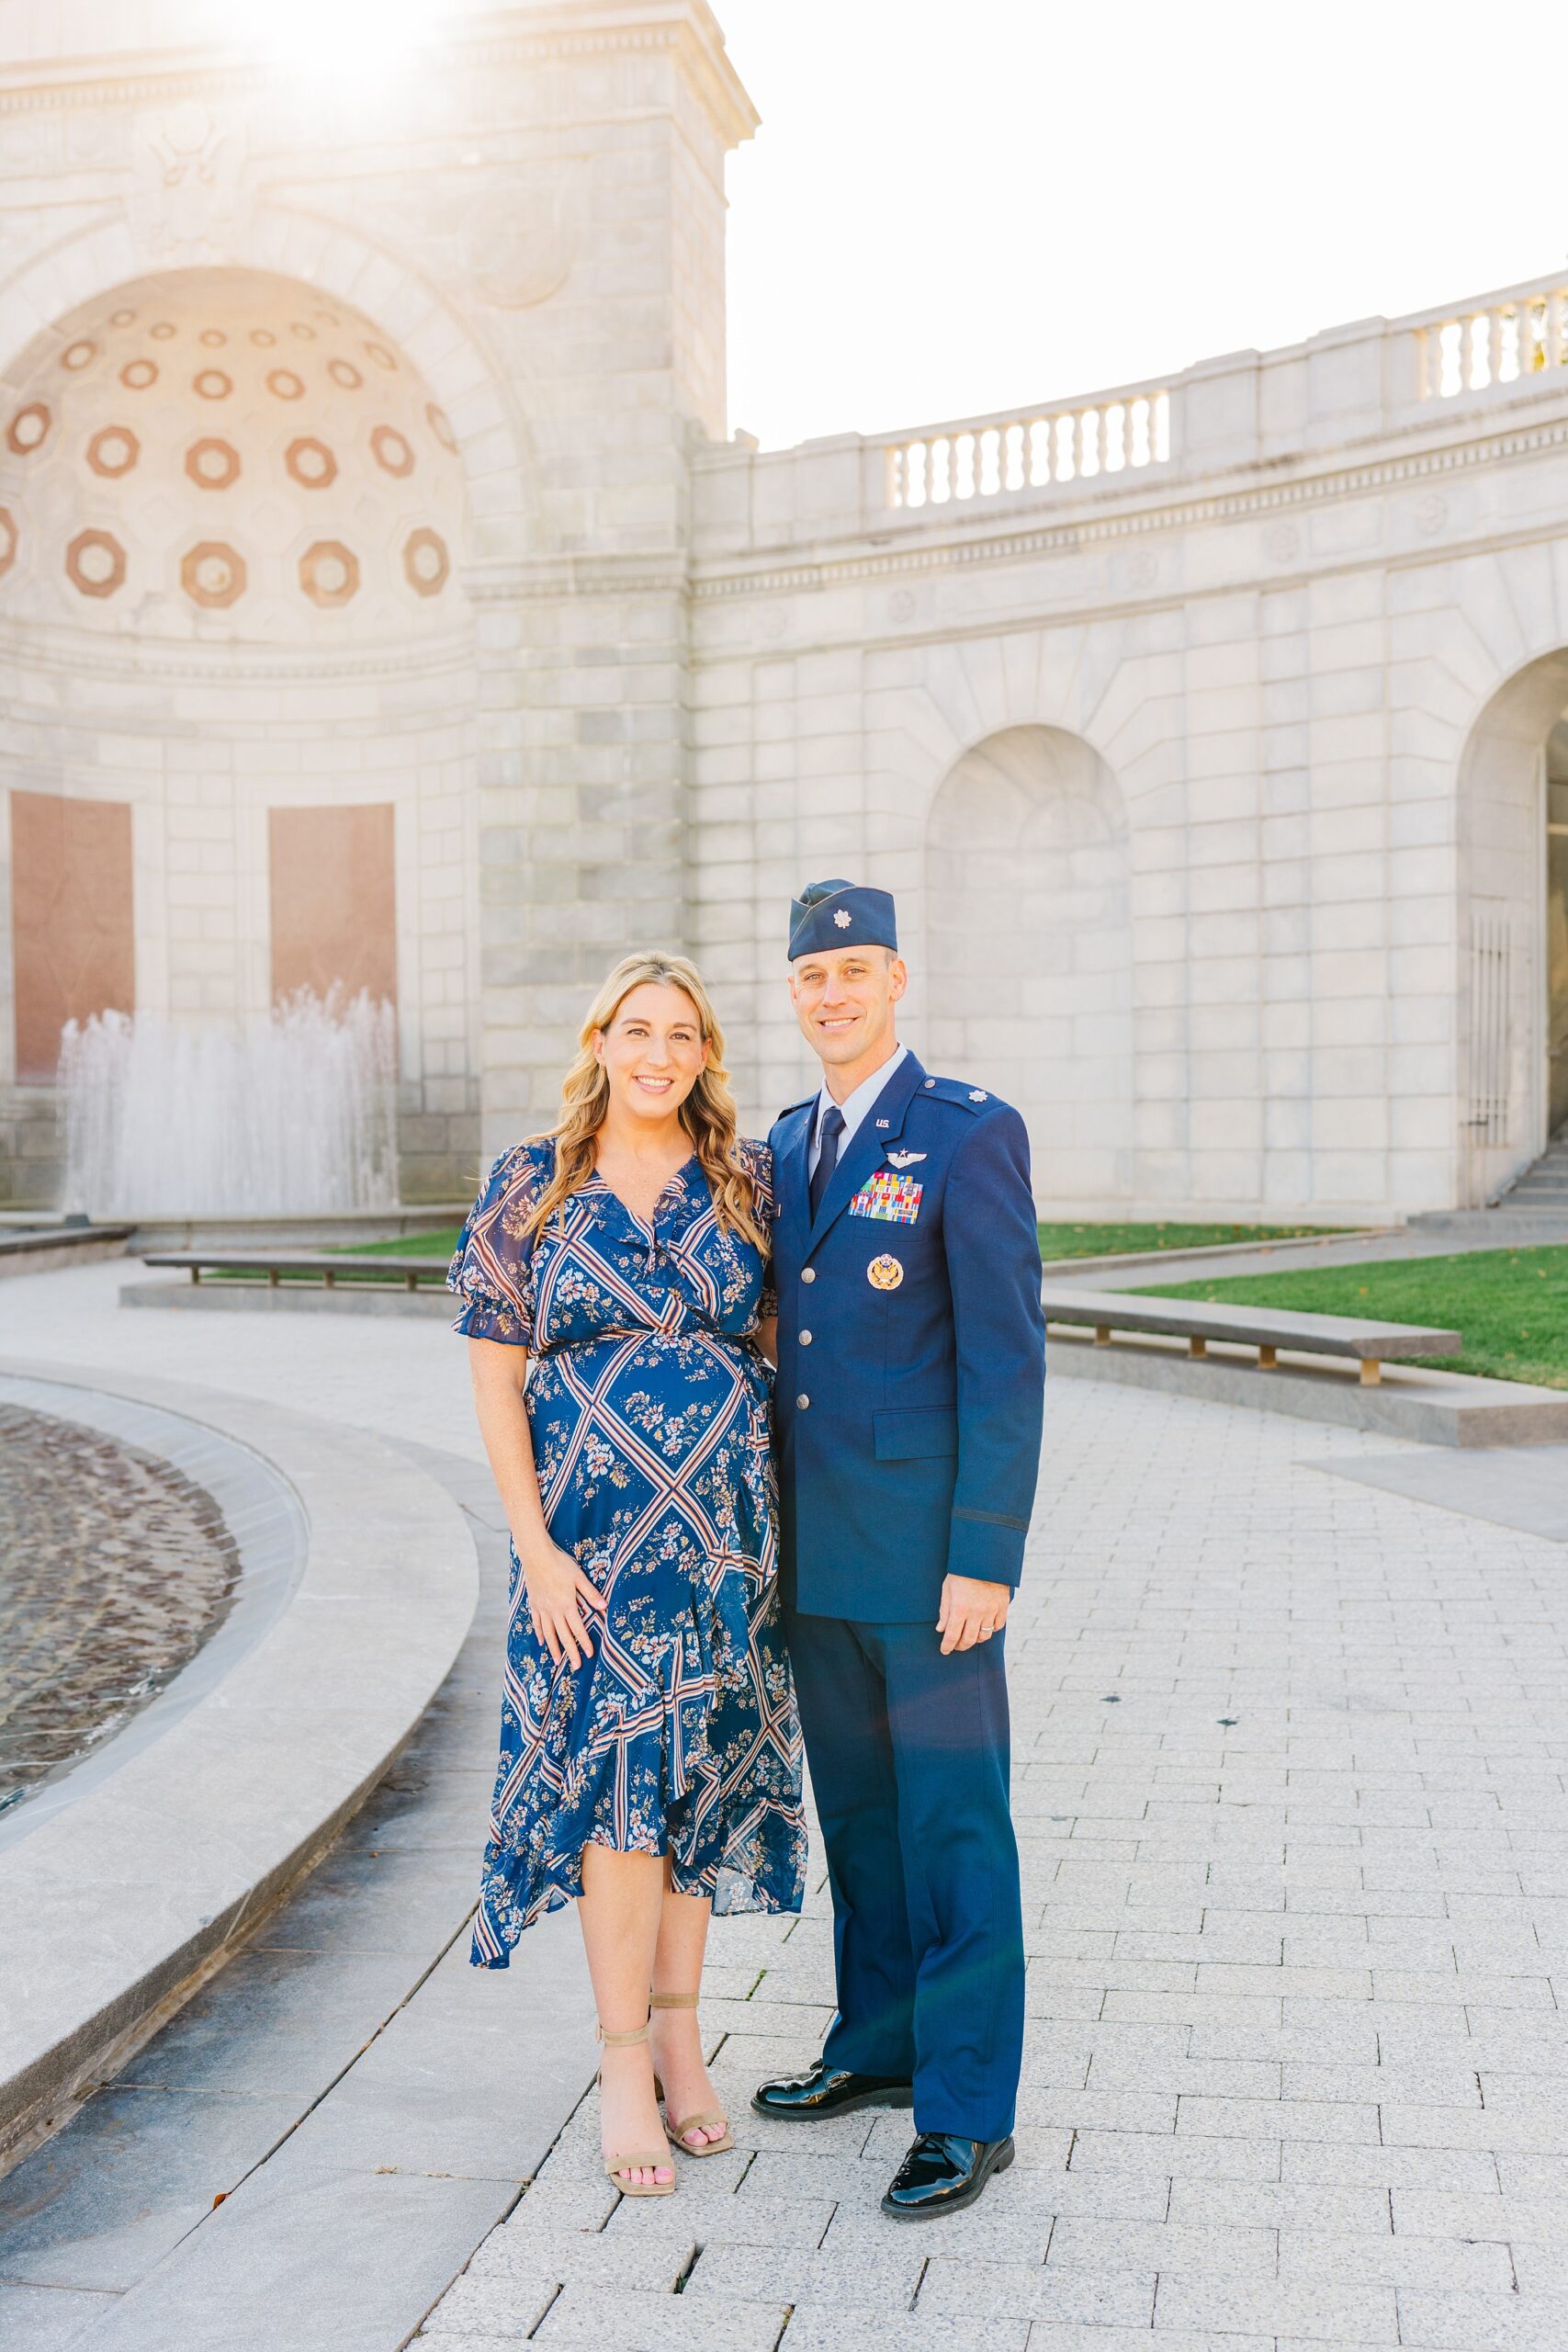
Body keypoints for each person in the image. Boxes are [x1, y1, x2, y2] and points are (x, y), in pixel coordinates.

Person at [448, 952, 805, 2199]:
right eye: (638, 1030)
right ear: (601, 1040)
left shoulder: (747, 1183)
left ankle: (681, 2043)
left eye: (684, 1035)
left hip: (722, 1550)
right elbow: (495, 1375)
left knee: (697, 1793)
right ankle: (618, 2068)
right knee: (617, 1799)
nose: (659, 1054)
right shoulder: (530, 1186)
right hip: (589, 1559)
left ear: (706, 1055)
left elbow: (773, 1347)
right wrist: (534, 1547)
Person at [752, 878, 1046, 2220]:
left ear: (897, 978)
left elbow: (1004, 1359)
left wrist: (986, 1555)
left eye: (856, 970)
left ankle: (968, 2109)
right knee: (862, 1826)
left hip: (932, 1570)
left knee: (954, 1832)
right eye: (815, 975)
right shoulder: (789, 1139)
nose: (834, 993)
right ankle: (876, 2047)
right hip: (821, 1564)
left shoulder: (966, 1132)